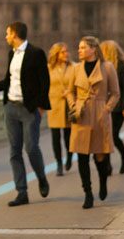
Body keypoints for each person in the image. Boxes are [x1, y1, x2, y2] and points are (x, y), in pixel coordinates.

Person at [0, 21, 50, 207]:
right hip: (11, 108)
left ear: (15, 34)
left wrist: (39, 106)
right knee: (14, 152)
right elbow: (10, 80)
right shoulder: (12, 54)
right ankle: (21, 192)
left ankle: (41, 177)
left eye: (8, 33)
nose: (6, 36)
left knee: (31, 148)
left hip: (28, 109)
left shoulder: (36, 53)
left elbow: (45, 83)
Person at [65, 36, 119, 209]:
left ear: (93, 49)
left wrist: (107, 109)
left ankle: (103, 182)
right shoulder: (75, 68)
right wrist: (73, 105)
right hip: (81, 114)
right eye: (79, 48)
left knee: (100, 155)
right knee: (81, 156)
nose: (79, 50)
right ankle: (87, 193)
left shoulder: (107, 67)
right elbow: (69, 91)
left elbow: (115, 93)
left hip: (100, 114)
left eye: (82, 48)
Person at [100, 40, 124, 174]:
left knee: (113, 135)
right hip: (104, 106)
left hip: (118, 108)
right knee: (105, 137)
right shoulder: (101, 66)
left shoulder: (123, 66)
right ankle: (107, 166)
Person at [46, 42, 74, 176]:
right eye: (63, 52)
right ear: (56, 54)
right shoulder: (48, 69)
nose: (66, 54)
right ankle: (58, 163)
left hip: (69, 105)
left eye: (67, 51)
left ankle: (69, 157)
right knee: (55, 137)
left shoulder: (73, 67)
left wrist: (70, 91)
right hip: (54, 105)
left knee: (68, 136)